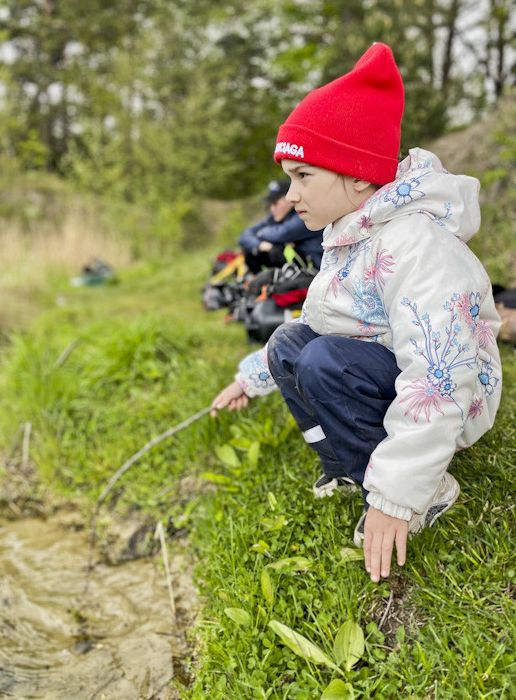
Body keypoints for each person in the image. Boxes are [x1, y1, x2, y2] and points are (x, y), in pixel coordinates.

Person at [211, 43, 502, 584]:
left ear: (359, 178)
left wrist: (398, 492)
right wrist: (252, 378)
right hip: (385, 364)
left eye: (303, 176)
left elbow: (442, 372)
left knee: (323, 362)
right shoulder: (348, 235)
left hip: (453, 391)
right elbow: (319, 322)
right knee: (289, 346)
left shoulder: (417, 246)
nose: (292, 195)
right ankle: (350, 468)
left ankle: (421, 492)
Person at [239, 179, 324, 272]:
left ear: (290, 199)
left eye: (275, 203)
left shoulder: (304, 214)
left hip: (318, 271)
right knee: (253, 251)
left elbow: (282, 233)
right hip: (302, 268)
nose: (271, 209)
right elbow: (245, 235)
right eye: (269, 205)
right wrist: (260, 245)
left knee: (276, 250)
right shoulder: (276, 217)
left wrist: (260, 233)